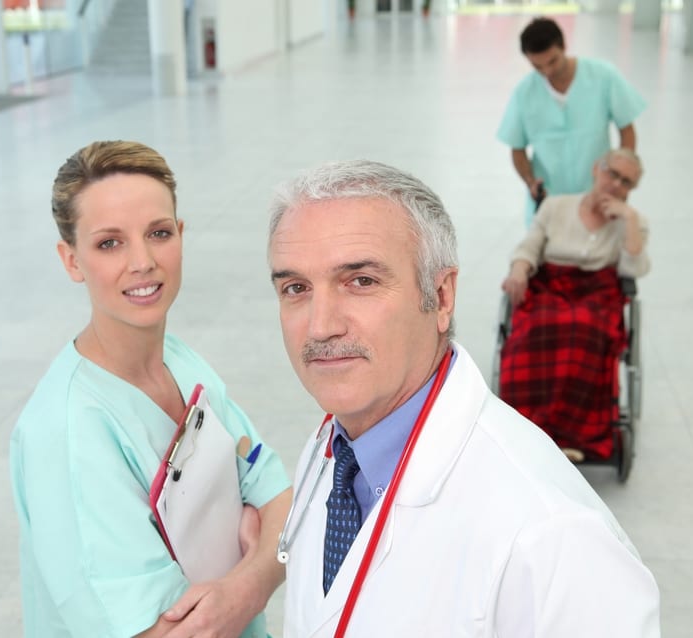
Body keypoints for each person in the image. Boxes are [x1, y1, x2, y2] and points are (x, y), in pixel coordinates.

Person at [266, 159, 660, 637]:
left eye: (361, 281)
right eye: (295, 288)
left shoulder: (550, 534)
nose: (321, 325)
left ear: (442, 295)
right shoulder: (334, 446)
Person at [10, 140, 291, 638]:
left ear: (181, 236)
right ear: (71, 260)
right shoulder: (70, 434)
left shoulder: (181, 362)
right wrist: (256, 566)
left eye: (158, 233)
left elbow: (282, 503)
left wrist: (242, 584)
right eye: (109, 243)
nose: (142, 262)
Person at [499, 148, 650, 462]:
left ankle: (572, 436)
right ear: (597, 169)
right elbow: (530, 246)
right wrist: (519, 268)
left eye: (626, 182)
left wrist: (630, 219)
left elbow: (632, 270)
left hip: (598, 293)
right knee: (537, 329)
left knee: (582, 329)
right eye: (612, 173)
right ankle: (527, 431)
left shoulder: (632, 222)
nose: (616, 184)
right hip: (550, 285)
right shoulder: (556, 206)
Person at [497, 16, 646, 226]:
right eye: (537, 66)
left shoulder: (603, 76)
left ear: (564, 46)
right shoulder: (524, 92)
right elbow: (517, 149)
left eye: (552, 61)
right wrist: (530, 181)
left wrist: (621, 180)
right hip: (549, 200)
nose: (547, 72)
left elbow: (626, 129)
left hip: (598, 193)